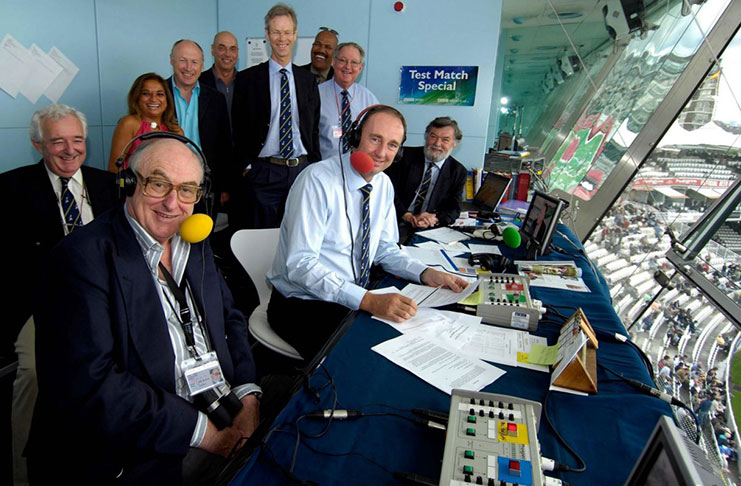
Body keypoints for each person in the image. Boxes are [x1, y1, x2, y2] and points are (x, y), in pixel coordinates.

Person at [27, 138, 260, 484]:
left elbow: (230, 318)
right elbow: (92, 384)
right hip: (133, 442)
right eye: (158, 183)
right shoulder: (79, 259)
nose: (172, 203)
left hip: (214, 403)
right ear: (130, 183)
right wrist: (208, 435)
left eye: (187, 190)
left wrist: (248, 397)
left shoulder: (193, 242)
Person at [267, 105, 468, 361]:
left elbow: (385, 248)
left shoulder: (383, 184)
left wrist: (425, 272)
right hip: (301, 303)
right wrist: (367, 300)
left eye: (392, 145)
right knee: (370, 354)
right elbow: (300, 265)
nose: (382, 153)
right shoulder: (317, 181)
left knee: (414, 337)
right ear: (355, 136)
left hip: (350, 295)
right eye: (375, 139)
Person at [0, 104, 120, 486]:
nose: (70, 150)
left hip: (104, 301)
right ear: (38, 144)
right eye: (57, 142)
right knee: (36, 373)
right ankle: (23, 475)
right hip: (42, 305)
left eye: (77, 140)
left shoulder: (109, 186)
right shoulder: (10, 189)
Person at [231, 3, 321, 229]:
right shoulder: (248, 79)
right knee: (262, 242)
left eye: (287, 32)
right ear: (267, 35)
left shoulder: (307, 81)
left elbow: (313, 128)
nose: (282, 38)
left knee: (298, 236)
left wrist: (313, 164)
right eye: (276, 32)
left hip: (300, 171)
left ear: (295, 34)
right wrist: (247, 165)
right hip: (263, 173)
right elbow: (237, 127)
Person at [168, 39, 235, 211]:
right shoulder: (159, 95)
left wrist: (225, 187)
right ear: (171, 60)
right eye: (182, 60)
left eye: (194, 62)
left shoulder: (215, 99)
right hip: (167, 183)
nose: (188, 67)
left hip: (205, 185)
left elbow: (224, 146)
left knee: (202, 235)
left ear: (202, 64)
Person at [386, 116, 467, 235]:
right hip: (394, 220)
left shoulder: (458, 171)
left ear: (454, 144)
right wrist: (406, 215)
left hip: (428, 228)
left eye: (445, 140)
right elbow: (387, 191)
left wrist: (434, 218)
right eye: (433, 136)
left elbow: (454, 208)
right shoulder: (403, 157)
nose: (437, 144)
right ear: (426, 136)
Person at [107, 73, 183, 171]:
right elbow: (114, 169)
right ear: (137, 97)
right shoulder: (129, 124)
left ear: (167, 99)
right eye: (146, 93)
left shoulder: (176, 131)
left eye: (160, 94)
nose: (153, 99)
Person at [317, 42, 379, 160]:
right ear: (334, 63)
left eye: (354, 62)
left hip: (357, 168)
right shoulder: (316, 95)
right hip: (324, 167)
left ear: (360, 68)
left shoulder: (369, 100)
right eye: (343, 60)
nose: (348, 67)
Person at [199, 31, 239, 124]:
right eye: (222, 48)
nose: (228, 54)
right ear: (213, 50)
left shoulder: (247, 83)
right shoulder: (199, 83)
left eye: (233, 49)